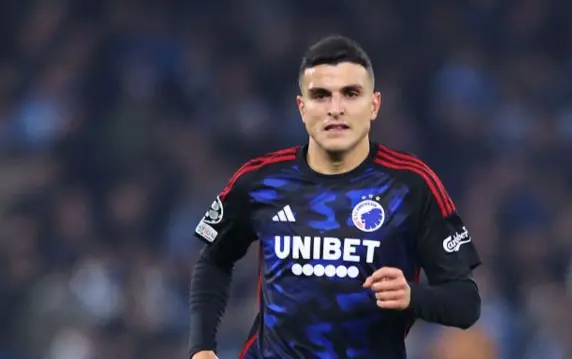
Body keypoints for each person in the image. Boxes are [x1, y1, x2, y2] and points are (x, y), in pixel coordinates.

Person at [189, 35, 482, 359]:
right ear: (302, 107)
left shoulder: (412, 185)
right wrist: (201, 348)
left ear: (374, 105)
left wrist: (413, 296)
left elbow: (466, 302)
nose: (335, 108)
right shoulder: (260, 179)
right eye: (321, 95)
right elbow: (214, 260)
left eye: (350, 94)